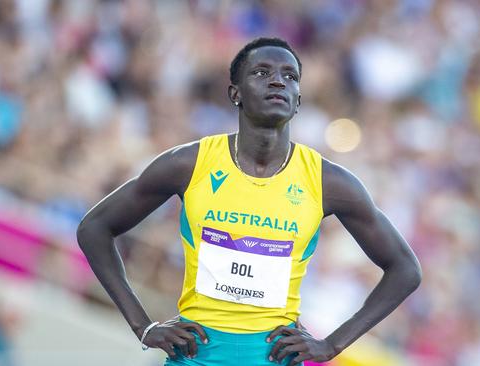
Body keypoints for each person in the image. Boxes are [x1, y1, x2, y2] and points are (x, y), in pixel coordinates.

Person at [77, 37, 422, 366]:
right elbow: (94, 228)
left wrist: (331, 344)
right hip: (196, 355)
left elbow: (405, 269)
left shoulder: (327, 181)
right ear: (235, 93)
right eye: (262, 73)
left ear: (299, 99)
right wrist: (143, 326)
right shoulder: (190, 164)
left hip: (272, 358)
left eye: (290, 76)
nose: (278, 82)